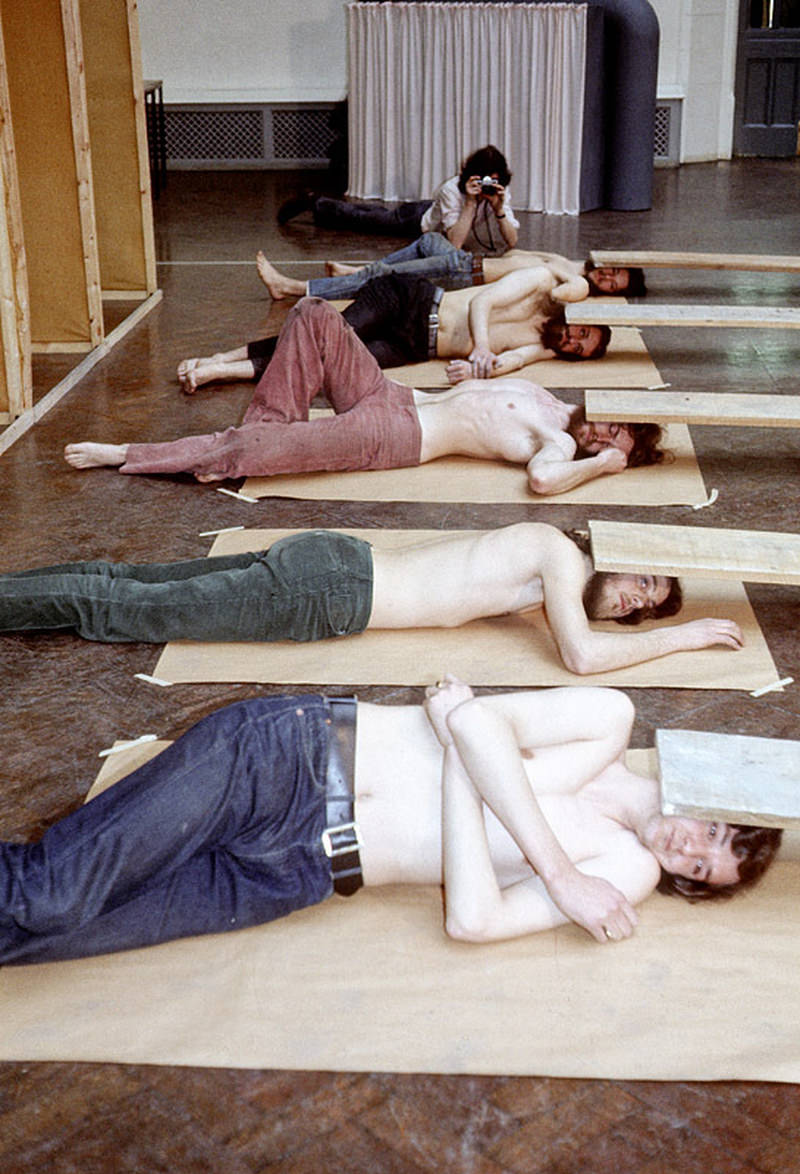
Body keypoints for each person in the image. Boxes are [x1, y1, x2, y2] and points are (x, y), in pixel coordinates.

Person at [0, 679, 781, 965]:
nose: (691, 851)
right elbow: (473, 730)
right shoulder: (609, 720)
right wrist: (559, 872)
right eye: (715, 832)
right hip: (288, 756)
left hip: (301, 871)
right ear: (711, 793)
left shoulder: (628, 872)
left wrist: (465, 761)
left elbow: (472, 922)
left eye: (703, 871)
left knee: (39, 940)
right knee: (50, 897)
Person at [65, 298, 648, 494]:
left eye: (611, 441)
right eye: (611, 427)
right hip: (394, 396)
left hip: (394, 436)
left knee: (250, 448)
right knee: (314, 313)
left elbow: (544, 482)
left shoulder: (561, 448)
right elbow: (506, 370)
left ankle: (126, 454)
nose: (600, 433)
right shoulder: (548, 396)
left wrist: (603, 463)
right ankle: (265, 434)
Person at [0, 523, 744, 676]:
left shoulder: (548, 576)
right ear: (616, 556)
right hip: (332, 590)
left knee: (131, 585)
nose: (634, 605)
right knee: (126, 611)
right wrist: (686, 635)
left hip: (334, 562)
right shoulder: (558, 554)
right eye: (644, 582)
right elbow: (581, 657)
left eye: (646, 608)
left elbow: (577, 629)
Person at [277, 144, 519, 255]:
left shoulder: (499, 192)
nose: (488, 188)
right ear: (470, 176)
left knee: (371, 214)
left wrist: (498, 210)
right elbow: (455, 243)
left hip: (432, 213)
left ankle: (321, 204)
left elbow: (512, 241)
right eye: (484, 181)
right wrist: (470, 203)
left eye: (493, 181)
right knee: (362, 219)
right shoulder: (452, 190)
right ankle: (313, 201)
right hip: (417, 221)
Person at [254, 238, 644, 303]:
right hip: (465, 260)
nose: (607, 277)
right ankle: (357, 272)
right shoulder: (576, 264)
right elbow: (519, 250)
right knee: (428, 240)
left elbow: (560, 291)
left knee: (385, 280)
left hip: (464, 275)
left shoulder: (575, 282)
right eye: (614, 272)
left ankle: (291, 288)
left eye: (613, 285)